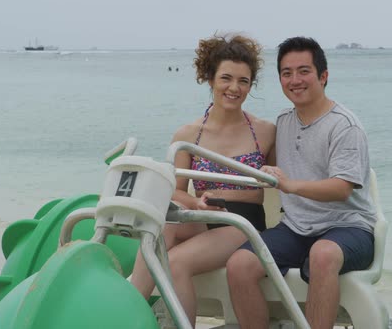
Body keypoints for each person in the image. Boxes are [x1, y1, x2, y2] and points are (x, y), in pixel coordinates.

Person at [226, 37, 377, 329]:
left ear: (323, 76)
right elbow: (267, 165)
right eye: (286, 73)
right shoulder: (284, 120)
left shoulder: (344, 125)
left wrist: (290, 186)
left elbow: (341, 188)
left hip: (349, 227)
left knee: (322, 254)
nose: (295, 80)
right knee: (239, 266)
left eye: (304, 71)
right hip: (296, 228)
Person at [130, 34, 275, 327]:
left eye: (243, 81)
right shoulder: (188, 135)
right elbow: (177, 191)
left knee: (176, 262)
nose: (234, 88)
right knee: (161, 230)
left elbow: (273, 185)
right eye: (226, 78)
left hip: (243, 224)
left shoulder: (265, 131)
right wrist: (197, 201)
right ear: (210, 78)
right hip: (203, 214)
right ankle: (128, 309)